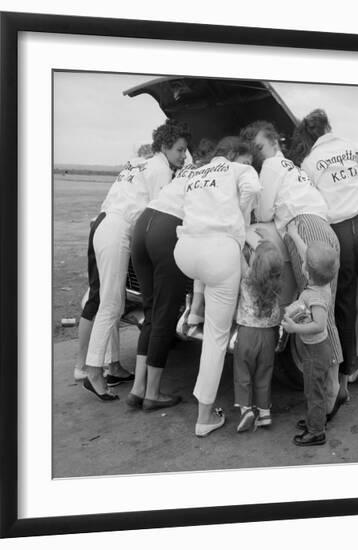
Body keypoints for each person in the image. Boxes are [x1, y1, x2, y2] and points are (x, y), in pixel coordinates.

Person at [291, 108, 358, 409]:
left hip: (338, 230)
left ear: (310, 135)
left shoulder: (309, 163)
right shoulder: (348, 147)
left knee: (344, 308)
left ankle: (344, 381)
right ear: (328, 126)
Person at [80, 119, 190, 401]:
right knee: (112, 303)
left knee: (107, 297)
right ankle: (93, 371)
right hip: (118, 228)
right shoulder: (160, 169)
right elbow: (159, 209)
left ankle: (111, 364)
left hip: (101, 223)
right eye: (179, 150)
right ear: (165, 146)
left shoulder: (137, 162)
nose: (182, 156)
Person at [244, 120, 346, 420]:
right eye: (255, 150)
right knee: (325, 313)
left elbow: (263, 212)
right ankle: (336, 388)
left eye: (260, 146)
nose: (259, 153)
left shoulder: (272, 167)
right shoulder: (292, 166)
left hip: (304, 228)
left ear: (275, 142)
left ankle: (328, 397)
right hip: (323, 228)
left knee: (320, 316)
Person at [173, 136, 261, 437]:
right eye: (246, 159)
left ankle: (193, 310)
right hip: (220, 252)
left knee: (206, 278)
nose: (248, 165)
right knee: (216, 338)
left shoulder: (194, 172)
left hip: (185, 251)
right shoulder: (238, 170)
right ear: (234, 155)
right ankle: (205, 417)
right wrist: (239, 213)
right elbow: (253, 188)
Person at [126, 160, 192, 411]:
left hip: (143, 223)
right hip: (167, 228)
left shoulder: (185, 171)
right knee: (165, 314)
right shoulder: (222, 174)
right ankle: (152, 393)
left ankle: (138, 389)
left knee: (152, 311)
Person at [281, 222, 340, 446]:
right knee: (313, 387)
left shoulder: (315, 296)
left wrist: (294, 329)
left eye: (304, 263)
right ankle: (316, 420)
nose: (302, 262)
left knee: (313, 391)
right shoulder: (323, 282)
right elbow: (310, 256)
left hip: (316, 349)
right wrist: (295, 235)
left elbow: (318, 324)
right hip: (313, 348)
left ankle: (317, 431)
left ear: (306, 271)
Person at [233, 240, 283, 432]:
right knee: (264, 374)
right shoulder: (276, 284)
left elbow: (239, 256)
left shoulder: (247, 278)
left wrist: (241, 239)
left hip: (247, 334)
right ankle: (264, 413)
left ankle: (246, 410)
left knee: (243, 373)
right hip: (269, 337)